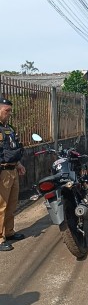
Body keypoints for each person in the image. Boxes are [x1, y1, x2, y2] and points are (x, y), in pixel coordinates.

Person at [0, 97, 26, 251]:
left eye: (10, 111)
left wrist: (19, 165)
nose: (9, 113)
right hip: (2, 172)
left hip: (13, 171)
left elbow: (13, 149)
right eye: (6, 111)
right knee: (1, 206)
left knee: (11, 204)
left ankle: (9, 232)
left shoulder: (9, 129)